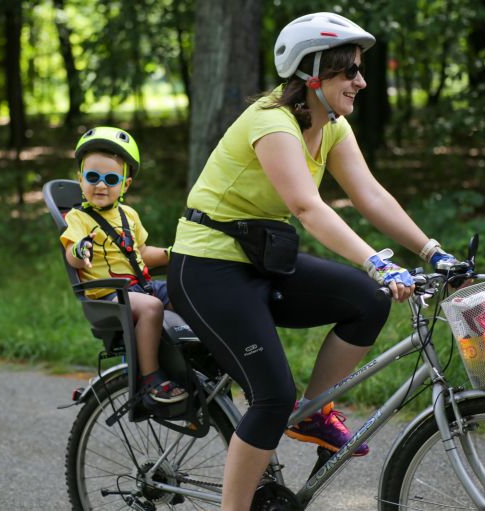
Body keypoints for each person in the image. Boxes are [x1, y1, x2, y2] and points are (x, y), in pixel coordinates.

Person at [167, 12, 460, 510]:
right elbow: (307, 207)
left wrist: (433, 251)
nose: (361, 82)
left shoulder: (332, 127)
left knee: (367, 300)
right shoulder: (270, 121)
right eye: (351, 71)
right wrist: (377, 261)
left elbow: (370, 194)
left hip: (260, 262)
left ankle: (312, 412)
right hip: (207, 267)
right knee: (271, 396)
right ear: (313, 75)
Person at [61, 126, 188, 407]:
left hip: (140, 287)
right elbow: (71, 253)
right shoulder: (78, 218)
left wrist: (175, 254)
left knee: (188, 291)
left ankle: (186, 363)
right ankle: (150, 378)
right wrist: (81, 250)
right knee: (152, 307)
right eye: (92, 177)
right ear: (80, 179)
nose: (101, 185)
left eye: (111, 179)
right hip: (108, 294)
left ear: (125, 185)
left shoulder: (128, 214)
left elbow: (141, 253)